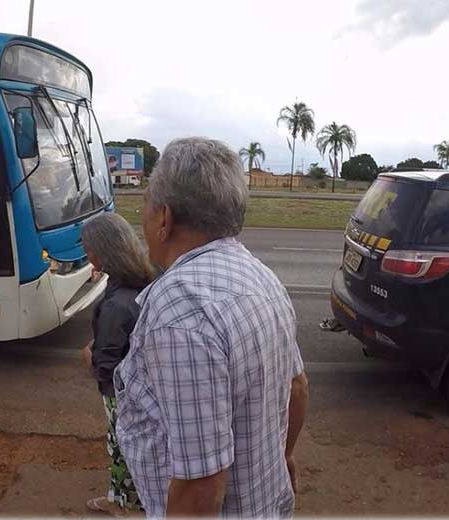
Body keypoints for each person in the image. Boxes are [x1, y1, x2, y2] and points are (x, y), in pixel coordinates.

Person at [114, 137, 309, 518]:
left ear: (164, 219)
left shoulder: (178, 307)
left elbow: (200, 482)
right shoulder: (260, 275)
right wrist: (284, 457)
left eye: (145, 206)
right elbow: (297, 386)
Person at [80, 212, 154, 516]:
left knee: (119, 445)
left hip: (119, 392)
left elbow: (104, 366)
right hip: (143, 384)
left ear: (102, 251)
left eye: (88, 248)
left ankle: (122, 504)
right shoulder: (144, 279)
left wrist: (88, 357)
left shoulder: (116, 304)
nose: (86, 254)